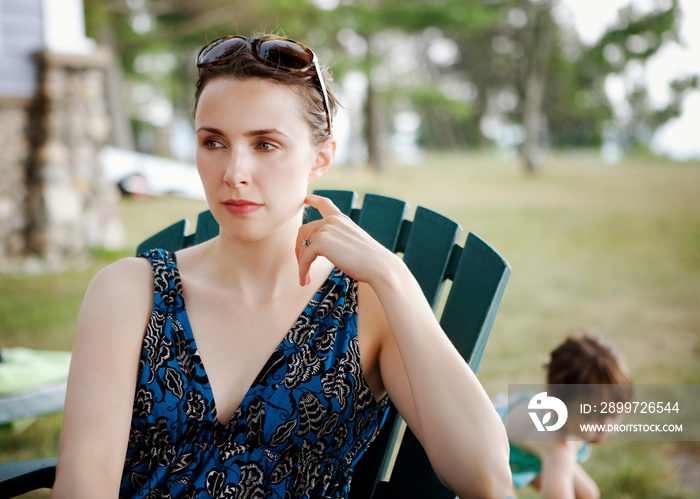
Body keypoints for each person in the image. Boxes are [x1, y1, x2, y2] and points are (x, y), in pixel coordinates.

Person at [51, 33, 511, 499]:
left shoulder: (367, 305)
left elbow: (486, 478)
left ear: (321, 158)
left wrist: (394, 279)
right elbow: (83, 478)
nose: (234, 172)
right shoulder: (130, 292)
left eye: (265, 144)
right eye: (214, 142)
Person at [494, 332, 633, 499]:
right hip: (489, 452)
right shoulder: (557, 444)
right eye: (591, 417)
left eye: (614, 414)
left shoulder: (571, 419)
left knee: (588, 494)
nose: (605, 427)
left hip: (521, 455)